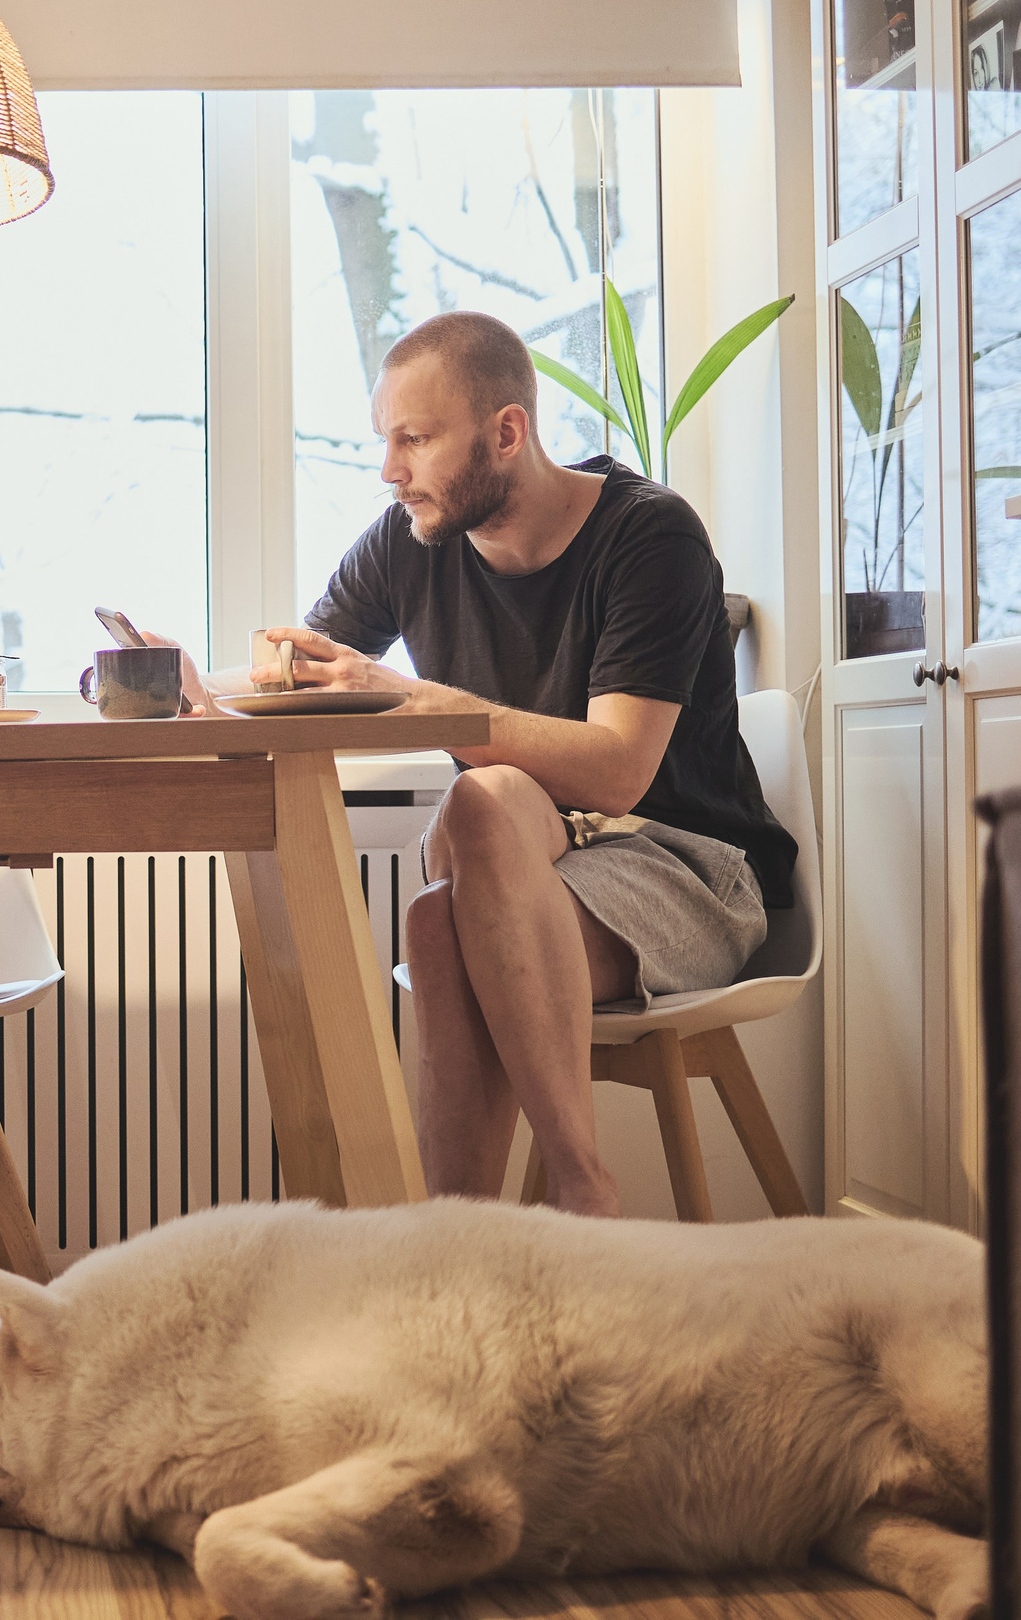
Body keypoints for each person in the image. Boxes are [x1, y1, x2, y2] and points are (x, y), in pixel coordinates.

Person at [160, 312, 793, 1216]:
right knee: (459, 863)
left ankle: (556, 1196)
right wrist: (197, 687)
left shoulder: (652, 538)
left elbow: (617, 772)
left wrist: (416, 697)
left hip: (686, 861)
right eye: (387, 441)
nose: (391, 470)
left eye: (414, 439)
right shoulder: (407, 542)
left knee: (456, 876)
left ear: (507, 431)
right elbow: (305, 676)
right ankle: (471, 1245)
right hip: (533, 859)